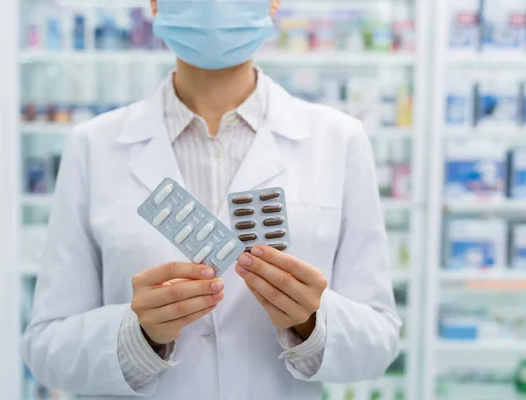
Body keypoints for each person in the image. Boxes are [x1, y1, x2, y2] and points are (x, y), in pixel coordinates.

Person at [22, 0, 402, 399]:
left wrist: (312, 323)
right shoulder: (93, 145)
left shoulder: (339, 140)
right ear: (154, 3)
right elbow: (46, 348)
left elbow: (379, 341)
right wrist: (137, 336)